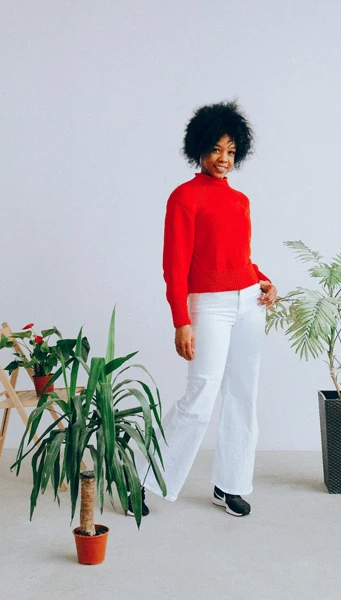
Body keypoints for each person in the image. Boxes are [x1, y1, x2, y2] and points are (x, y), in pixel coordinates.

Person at [136, 101, 277, 518]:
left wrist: (264, 280)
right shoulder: (184, 198)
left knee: (243, 397)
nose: (224, 159)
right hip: (209, 308)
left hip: (250, 303)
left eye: (231, 151)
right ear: (199, 149)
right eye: (216, 149)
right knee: (199, 398)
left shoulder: (241, 201)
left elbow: (240, 258)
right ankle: (142, 478)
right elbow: (174, 267)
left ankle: (229, 485)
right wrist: (181, 321)